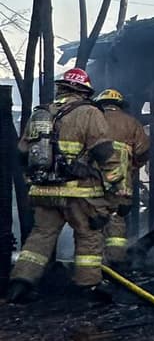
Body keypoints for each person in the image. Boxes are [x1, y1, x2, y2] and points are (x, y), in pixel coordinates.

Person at [8, 67, 123, 304]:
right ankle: (89, 286)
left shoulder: (42, 114)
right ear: (84, 91)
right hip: (79, 192)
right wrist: (115, 182)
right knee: (88, 234)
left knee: (40, 236)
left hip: (43, 190)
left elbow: (22, 152)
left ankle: (20, 283)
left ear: (61, 88)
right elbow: (104, 151)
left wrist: (32, 179)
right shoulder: (89, 112)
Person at [93, 87, 150, 268]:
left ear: (101, 104)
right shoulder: (132, 123)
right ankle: (115, 262)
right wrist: (132, 167)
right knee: (116, 218)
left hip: (92, 180)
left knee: (93, 218)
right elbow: (143, 150)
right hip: (121, 183)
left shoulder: (93, 120)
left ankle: (94, 263)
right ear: (120, 105)